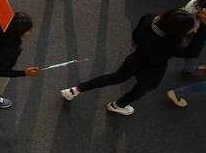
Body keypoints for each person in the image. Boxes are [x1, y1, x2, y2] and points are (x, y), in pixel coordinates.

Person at [61, 8, 204, 116]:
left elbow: (135, 35)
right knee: (142, 88)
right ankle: (118, 105)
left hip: (136, 58)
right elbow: (192, 52)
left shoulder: (150, 19)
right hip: (154, 69)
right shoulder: (171, 44)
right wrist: (204, 27)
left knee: (115, 77)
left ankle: (74, 90)